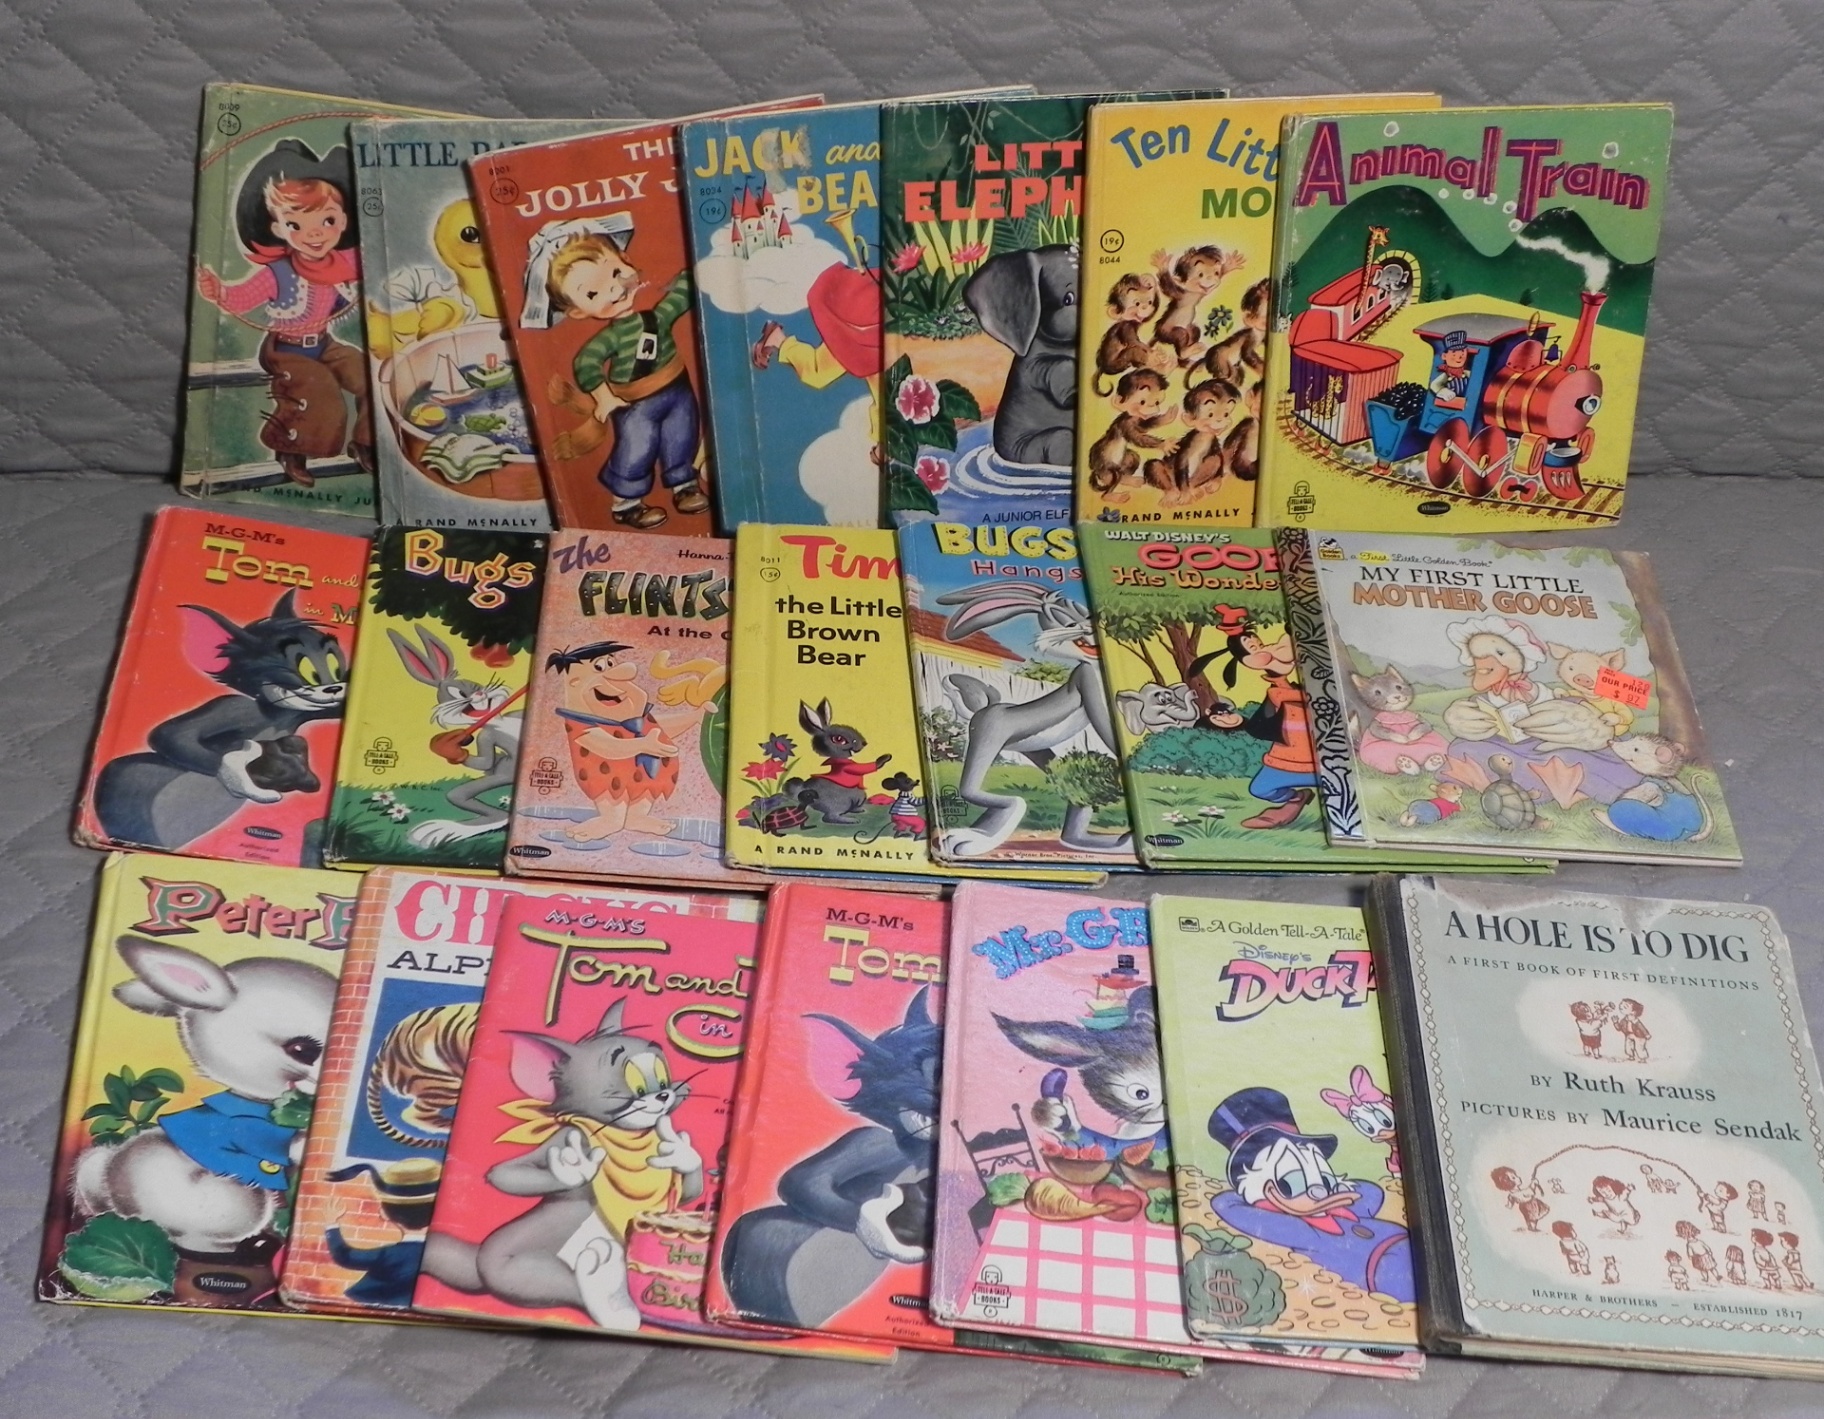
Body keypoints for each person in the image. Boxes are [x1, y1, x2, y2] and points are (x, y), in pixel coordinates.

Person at [196, 139, 373, 488]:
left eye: (327, 220)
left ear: (343, 221)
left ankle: (366, 442)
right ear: (278, 228)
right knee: (319, 390)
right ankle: (291, 450)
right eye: (296, 225)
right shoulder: (279, 272)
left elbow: (375, 262)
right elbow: (242, 297)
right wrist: (218, 291)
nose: (314, 234)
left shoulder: (344, 262)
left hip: (324, 343)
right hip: (287, 348)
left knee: (370, 376)